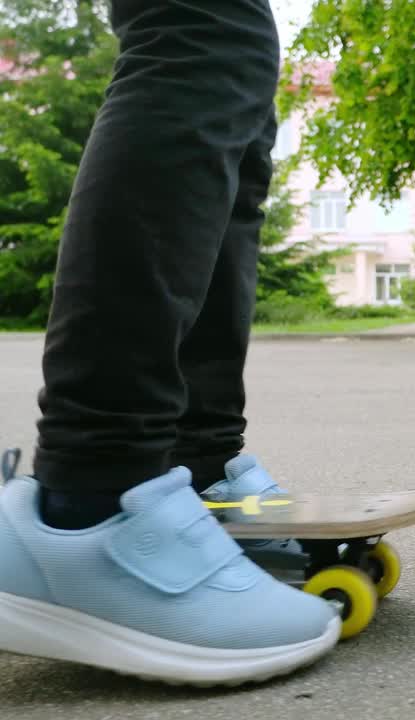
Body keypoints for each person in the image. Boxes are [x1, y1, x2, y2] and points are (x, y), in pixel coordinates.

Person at [0, 0, 340, 685]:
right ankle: (95, 495)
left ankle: (194, 457)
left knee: (241, 85)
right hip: (96, 495)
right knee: (203, 32)